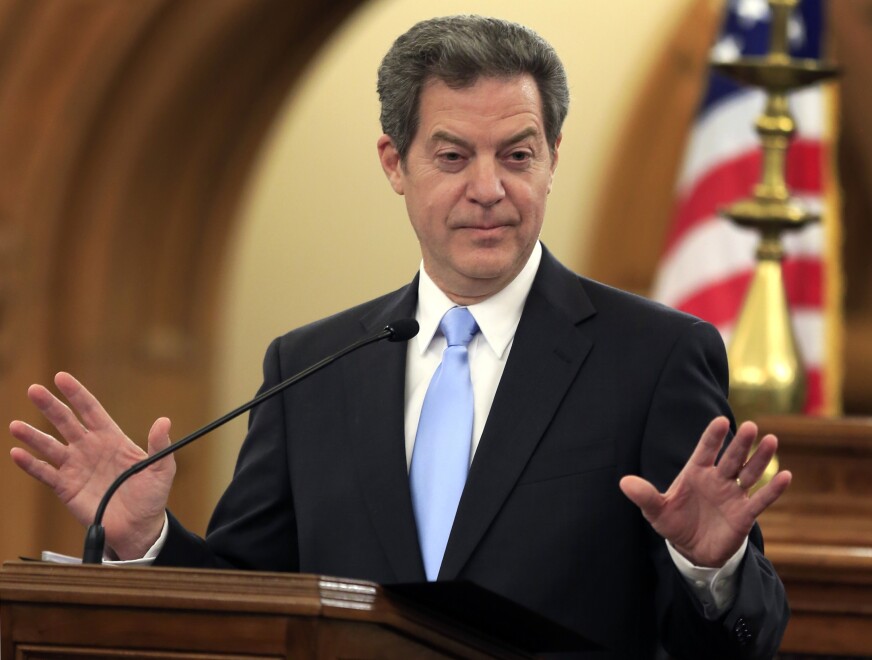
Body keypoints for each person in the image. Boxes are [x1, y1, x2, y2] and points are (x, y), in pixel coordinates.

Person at [9, 15, 790, 659]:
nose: (489, 189)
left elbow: (736, 645)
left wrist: (709, 567)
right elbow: (247, 606)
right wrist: (148, 538)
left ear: (552, 159)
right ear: (396, 163)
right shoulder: (309, 367)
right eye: (453, 157)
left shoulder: (653, 358)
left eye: (517, 155)